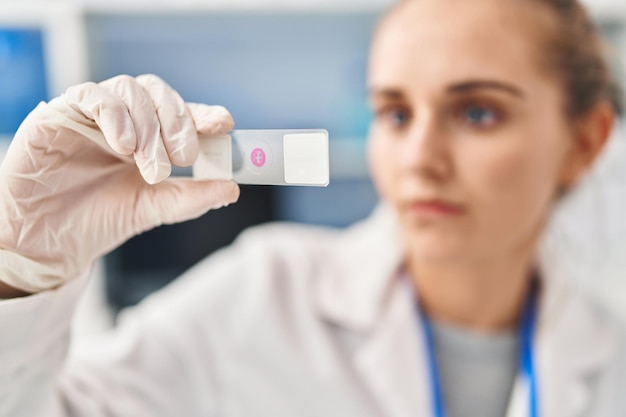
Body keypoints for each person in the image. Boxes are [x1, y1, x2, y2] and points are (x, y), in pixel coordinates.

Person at [0, 0, 625, 415]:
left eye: (477, 112)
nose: (419, 158)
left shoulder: (613, 361)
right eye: (396, 114)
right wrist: (19, 268)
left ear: (586, 141)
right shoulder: (260, 295)